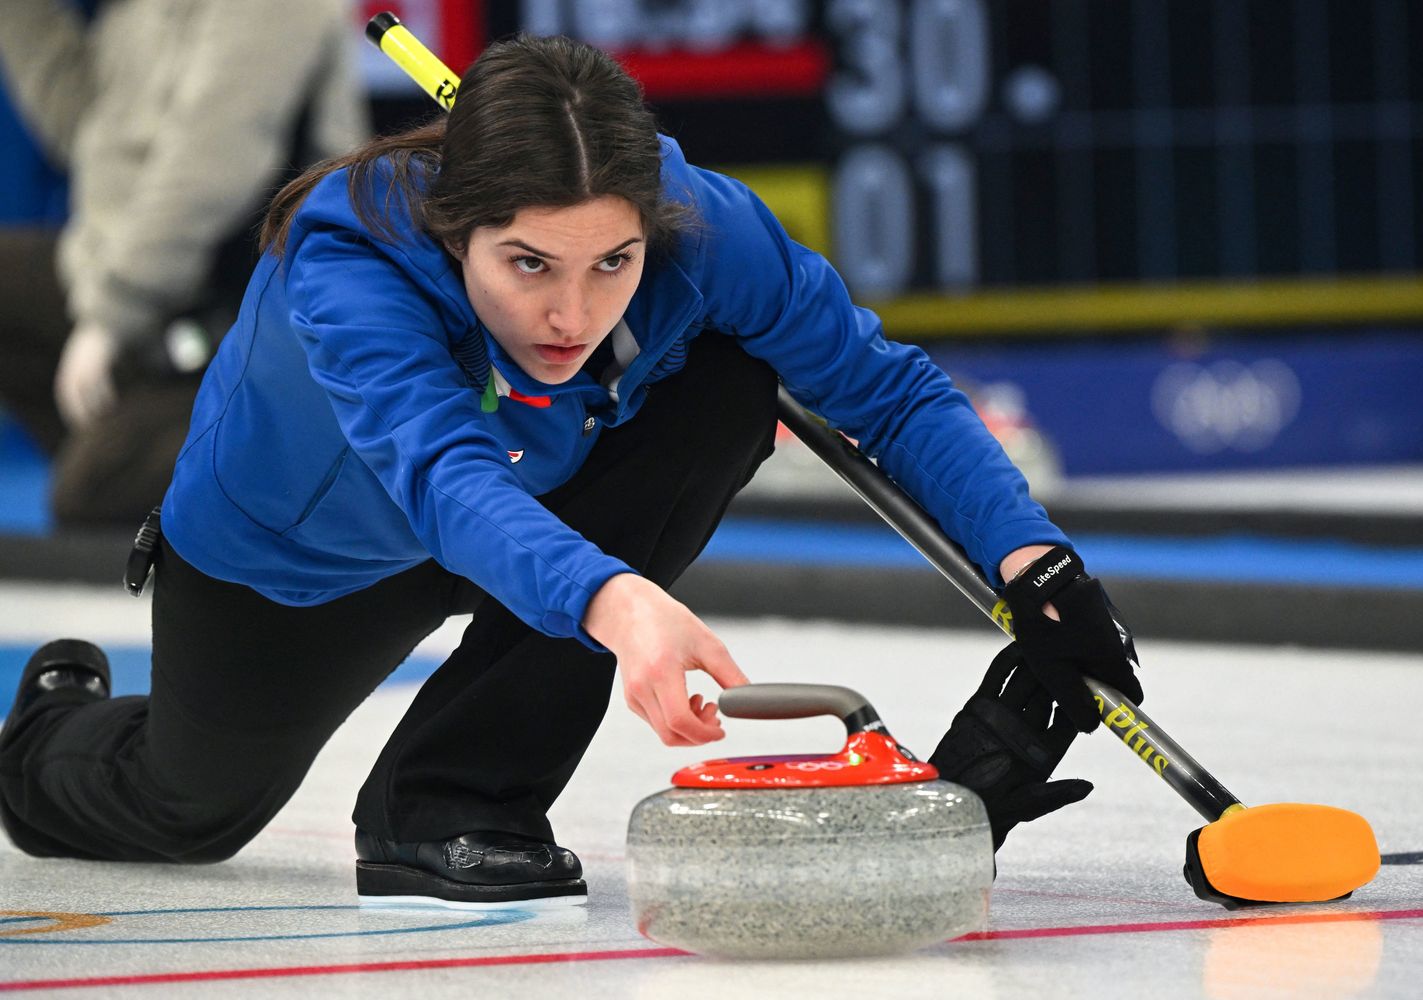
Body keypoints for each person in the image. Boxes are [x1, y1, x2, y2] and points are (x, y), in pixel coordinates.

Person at [0, 34, 1144, 909]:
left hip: (537, 504)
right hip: (306, 560)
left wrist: (1032, 557)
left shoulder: (705, 225)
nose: (573, 310)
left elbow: (885, 388)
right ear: (456, 232)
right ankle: (47, 729)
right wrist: (614, 595)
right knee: (186, 806)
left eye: (614, 263)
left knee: (729, 384)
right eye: (528, 263)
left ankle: (449, 803)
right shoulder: (346, 261)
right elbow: (446, 479)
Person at [0, 0, 367, 525]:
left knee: (88, 494)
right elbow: (97, 140)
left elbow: (209, 173)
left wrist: (109, 316)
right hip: (152, 296)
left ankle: (302, 472)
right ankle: (139, 443)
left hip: (251, 323)